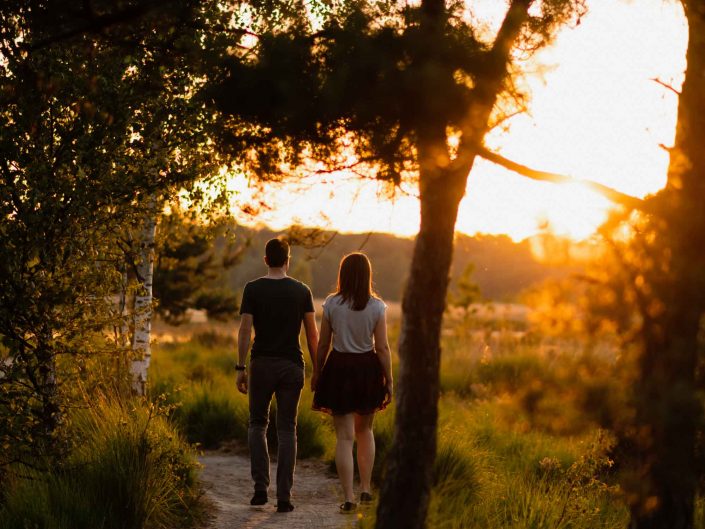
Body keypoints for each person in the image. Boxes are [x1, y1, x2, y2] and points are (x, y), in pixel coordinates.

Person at [236, 237, 319, 513]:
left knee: (257, 424)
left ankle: (260, 488)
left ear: (265, 260)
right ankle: (284, 496)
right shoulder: (302, 290)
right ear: (288, 259)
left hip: (260, 364)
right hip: (291, 366)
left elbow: (245, 330)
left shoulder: (252, 289)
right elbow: (312, 334)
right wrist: (318, 368)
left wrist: (240, 367)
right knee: (287, 430)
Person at [312, 252, 393, 513]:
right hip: (367, 369)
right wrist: (388, 379)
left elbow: (323, 344)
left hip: (338, 369)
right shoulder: (377, 306)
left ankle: (348, 497)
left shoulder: (332, 304)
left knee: (344, 438)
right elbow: (382, 347)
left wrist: (316, 372)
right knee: (365, 431)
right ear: (368, 275)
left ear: (342, 274)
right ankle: (366, 489)